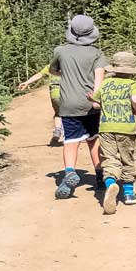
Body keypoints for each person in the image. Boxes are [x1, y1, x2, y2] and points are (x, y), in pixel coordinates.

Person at [50, 15, 108, 200]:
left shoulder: (61, 51)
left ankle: (69, 173)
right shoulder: (97, 54)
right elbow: (99, 80)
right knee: (94, 140)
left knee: (71, 141)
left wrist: (63, 72)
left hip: (68, 104)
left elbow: (52, 70)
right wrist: (97, 101)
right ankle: (100, 178)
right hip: (91, 103)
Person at [96, 51, 136, 214]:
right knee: (127, 158)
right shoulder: (134, 85)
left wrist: (93, 100)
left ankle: (111, 183)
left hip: (106, 127)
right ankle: (129, 194)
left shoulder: (106, 83)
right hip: (126, 127)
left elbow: (96, 103)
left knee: (109, 158)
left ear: (114, 68)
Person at [17, 64, 64, 145]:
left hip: (54, 95)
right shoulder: (68, 65)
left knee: (58, 113)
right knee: (71, 115)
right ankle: (71, 136)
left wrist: (27, 82)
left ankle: (57, 132)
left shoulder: (50, 66)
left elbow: (39, 74)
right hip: (65, 94)